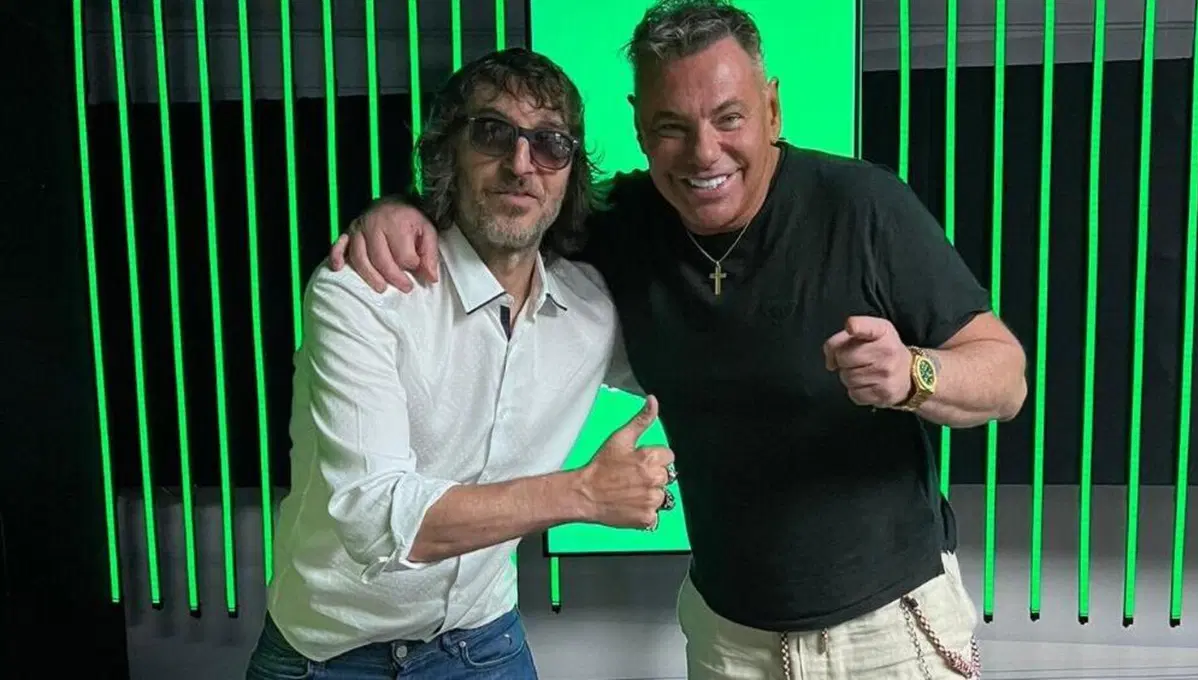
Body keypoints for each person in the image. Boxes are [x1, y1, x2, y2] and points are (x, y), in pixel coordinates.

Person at [329, 1, 1027, 678]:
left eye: (729, 118)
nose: (704, 153)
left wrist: (915, 374)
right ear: (638, 125)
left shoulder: (863, 205)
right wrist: (398, 211)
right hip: (728, 636)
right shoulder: (621, 223)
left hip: (886, 631)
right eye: (672, 127)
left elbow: (1005, 376)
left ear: (772, 107)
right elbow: (509, 205)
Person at [247, 48, 678, 680]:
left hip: (482, 642)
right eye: (494, 133)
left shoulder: (591, 312)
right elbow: (374, 517)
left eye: (550, 143)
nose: (522, 163)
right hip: (327, 658)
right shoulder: (364, 291)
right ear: (447, 151)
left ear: (569, 173)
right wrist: (583, 492)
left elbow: (706, 375)